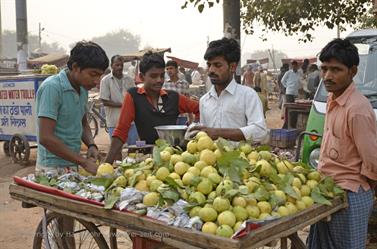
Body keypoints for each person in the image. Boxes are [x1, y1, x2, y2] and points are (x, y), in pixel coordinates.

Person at [307, 38, 377, 249]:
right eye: (324, 69)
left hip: (351, 195)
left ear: (353, 71)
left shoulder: (357, 109)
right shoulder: (332, 99)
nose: (328, 76)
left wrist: (361, 188)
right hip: (328, 190)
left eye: (336, 70)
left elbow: (372, 160)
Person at [104, 52, 199, 163]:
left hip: (175, 159)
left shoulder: (173, 97)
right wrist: (107, 164)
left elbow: (200, 108)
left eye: (162, 75)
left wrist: (193, 129)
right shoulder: (134, 96)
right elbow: (121, 131)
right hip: (148, 159)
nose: (159, 80)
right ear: (142, 77)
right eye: (153, 76)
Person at [36, 41, 108, 177]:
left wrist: (91, 145)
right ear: (75, 67)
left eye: (100, 75)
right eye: (93, 74)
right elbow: (45, 137)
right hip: (51, 168)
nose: (97, 81)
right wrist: (84, 162)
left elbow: (82, 122)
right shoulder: (53, 88)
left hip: (72, 164)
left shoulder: (83, 89)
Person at [192, 37, 267, 142]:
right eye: (209, 65)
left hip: (241, 157)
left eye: (217, 65)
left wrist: (217, 133)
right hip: (210, 157)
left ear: (232, 67)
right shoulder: (204, 100)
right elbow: (205, 137)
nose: (211, 70)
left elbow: (260, 131)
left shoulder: (247, 95)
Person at [100, 55, 138, 144]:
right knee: (116, 150)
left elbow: (135, 97)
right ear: (111, 65)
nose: (120, 67)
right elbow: (104, 101)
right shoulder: (105, 80)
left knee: (132, 149)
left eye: (121, 65)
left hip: (130, 122)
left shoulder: (129, 79)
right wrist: (123, 105)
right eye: (117, 65)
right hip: (114, 122)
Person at [163, 60, 192, 125]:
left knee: (182, 135)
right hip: (169, 116)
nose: (169, 71)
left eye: (171, 68)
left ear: (176, 69)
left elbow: (188, 101)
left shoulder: (184, 84)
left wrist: (190, 117)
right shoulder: (164, 85)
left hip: (182, 116)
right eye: (167, 69)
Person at [281, 60, 300, 128]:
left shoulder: (298, 73)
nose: (294, 67)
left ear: (297, 66)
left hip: (295, 93)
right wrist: (287, 86)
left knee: (295, 110)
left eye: (295, 66)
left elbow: (299, 82)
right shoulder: (288, 73)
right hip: (289, 93)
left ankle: (293, 124)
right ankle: (288, 125)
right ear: (292, 66)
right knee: (290, 110)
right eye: (293, 65)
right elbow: (282, 81)